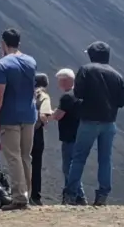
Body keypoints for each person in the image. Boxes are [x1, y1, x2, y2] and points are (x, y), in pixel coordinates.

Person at [65, 41, 124, 206]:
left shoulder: (86, 70)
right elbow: (121, 102)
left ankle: (70, 195)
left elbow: (78, 93)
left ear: (92, 55)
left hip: (89, 121)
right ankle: (102, 196)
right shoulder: (117, 75)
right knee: (105, 159)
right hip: (109, 123)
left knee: (78, 158)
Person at [0, 28, 37, 210]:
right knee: (26, 156)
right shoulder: (31, 62)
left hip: (10, 116)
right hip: (29, 115)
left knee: (13, 156)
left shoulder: (2, 64)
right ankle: (26, 195)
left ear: (3, 43)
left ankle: (19, 197)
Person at [53, 68, 82, 204]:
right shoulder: (81, 94)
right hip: (80, 135)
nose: (58, 84)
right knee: (75, 166)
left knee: (68, 168)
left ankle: (74, 197)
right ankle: (78, 197)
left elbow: (59, 115)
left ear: (65, 81)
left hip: (69, 136)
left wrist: (51, 114)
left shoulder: (66, 97)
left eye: (59, 81)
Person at [31, 72, 54, 205]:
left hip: (22, 131)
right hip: (36, 133)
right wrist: (45, 121)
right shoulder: (43, 96)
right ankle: (35, 196)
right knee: (36, 164)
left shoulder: (28, 94)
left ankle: (22, 192)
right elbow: (44, 115)